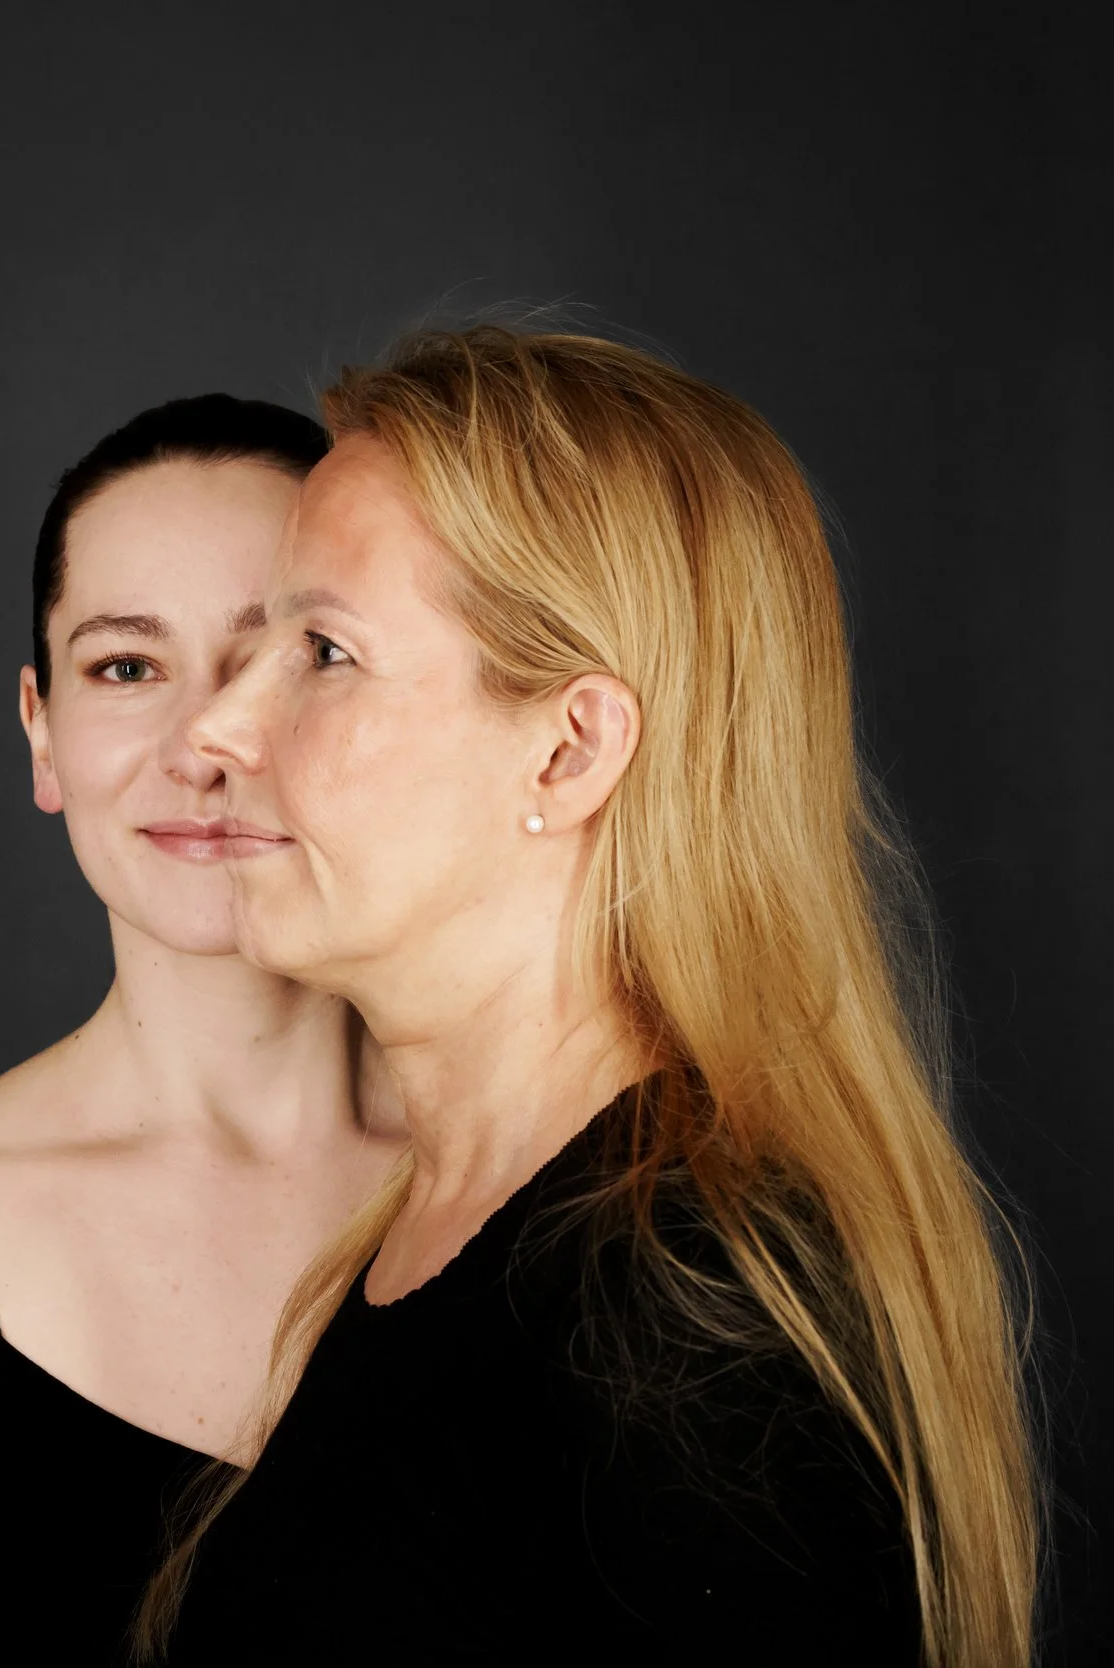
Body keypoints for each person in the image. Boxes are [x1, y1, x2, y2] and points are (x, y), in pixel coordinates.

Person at [148, 329, 1039, 1666]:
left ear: (570, 752)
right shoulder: (436, 1233)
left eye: (324, 652)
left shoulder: (686, 1331)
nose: (213, 731)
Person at [0, 396, 406, 1667]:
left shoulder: (569, 1188)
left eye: (289, 654)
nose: (204, 746)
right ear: (39, 731)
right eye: (126, 668)